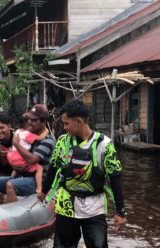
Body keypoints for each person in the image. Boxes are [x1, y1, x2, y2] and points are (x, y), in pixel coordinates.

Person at [42, 99, 126, 248]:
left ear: (79, 121)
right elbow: (53, 168)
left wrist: (120, 212)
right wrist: (43, 191)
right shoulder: (62, 142)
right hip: (66, 204)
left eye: (66, 123)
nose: (64, 127)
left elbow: (115, 177)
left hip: (94, 207)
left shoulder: (104, 145)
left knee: (99, 245)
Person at [0, 104, 56, 204]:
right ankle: (0, 212)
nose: (30, 123)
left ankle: (11, 216)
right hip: (22, 175)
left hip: (38, 180)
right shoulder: (26, 135)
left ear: (43, 122)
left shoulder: (48, 141)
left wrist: (15, 143)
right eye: (29, 119)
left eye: (34, 120)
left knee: (10, 185)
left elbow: (32, 159)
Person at [7, 116, 44, 201]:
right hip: (20, 157)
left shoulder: (17, 132)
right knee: (39, 168)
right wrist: (46, 131)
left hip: (12, 156)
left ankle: (11, 177)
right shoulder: (27, 134)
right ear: (28, 125)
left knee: (16, 167)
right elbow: (40, 137)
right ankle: (39, 188)